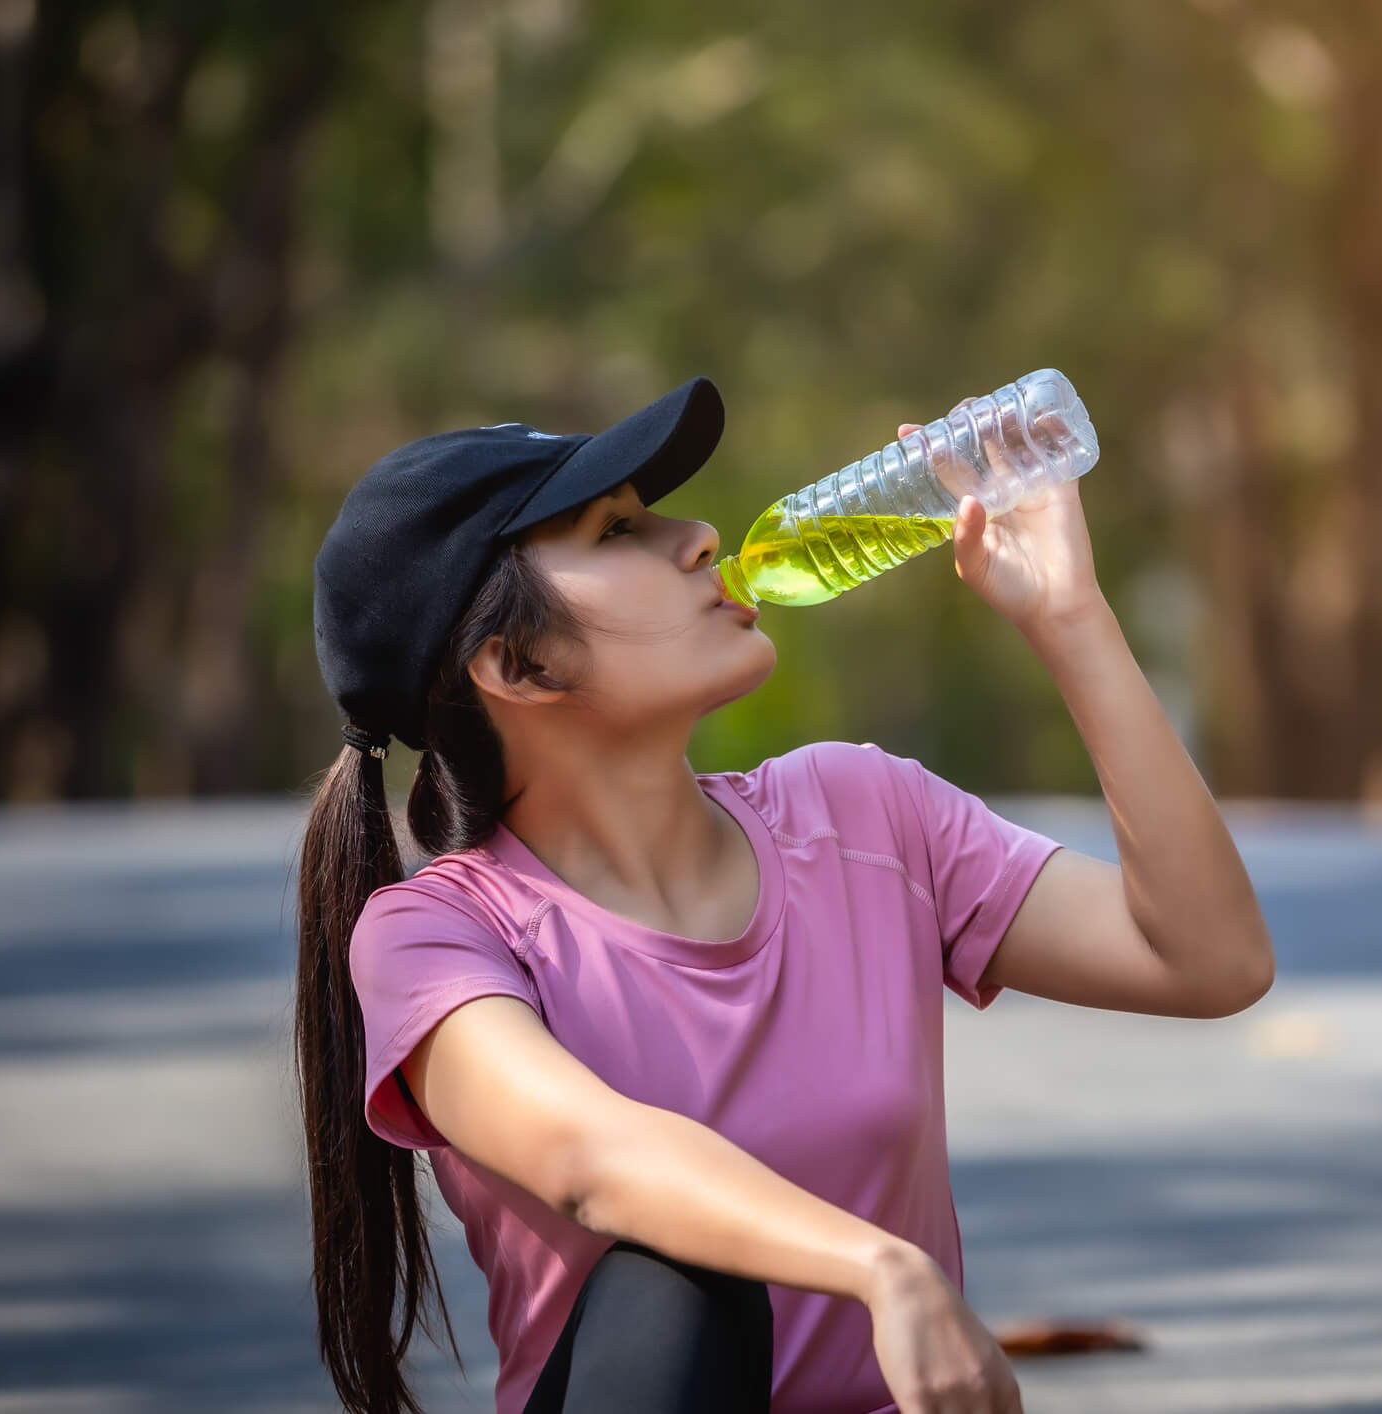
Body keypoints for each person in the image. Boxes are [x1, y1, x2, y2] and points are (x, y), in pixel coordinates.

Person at [292, 375, 1275, 1414]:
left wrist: (1070, 617)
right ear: (516, 662)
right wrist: (879, 1267)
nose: (701, 536)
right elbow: (594, 1160)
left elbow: (1208, 960)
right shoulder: (437, 935)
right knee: (676, 1277)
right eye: (618, 529)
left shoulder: (861, 814)